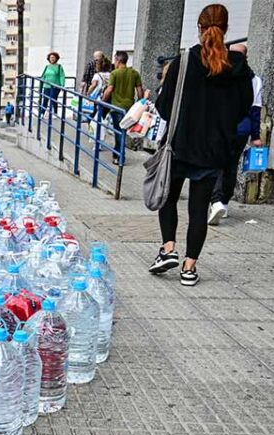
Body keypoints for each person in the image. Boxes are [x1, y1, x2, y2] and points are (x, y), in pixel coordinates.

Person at [149, 4, 253, 287]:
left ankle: (168, 249)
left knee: (168, 199)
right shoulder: (239, 67)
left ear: (199, 27)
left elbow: (163, 106)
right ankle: (189, 268)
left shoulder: (184, 62)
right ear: (226, 28)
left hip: (181, 145)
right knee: (198, 211)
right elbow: (244, 107)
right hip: (213, 150)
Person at [208, 43, 263, 225]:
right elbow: (256, 111)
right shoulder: (255, 79)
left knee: (216, 163)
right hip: (243, 129)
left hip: (222, 127)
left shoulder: (221, 74)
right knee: (232, 165)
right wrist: (255, 137)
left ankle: (215, 201)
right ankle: (224, 202)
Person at [101, 51, 144, 164]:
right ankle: (116, 155)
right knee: (122, 132)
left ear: (118, 60)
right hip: (130, 109)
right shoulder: (134, 73)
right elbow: (140, 91)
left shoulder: (114, 74)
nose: (114, 62)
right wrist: (140, 104)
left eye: (115, 60)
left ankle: (120, 157)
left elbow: (109, 90)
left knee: (119, 133)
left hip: (116, 108)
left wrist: (103, 101)